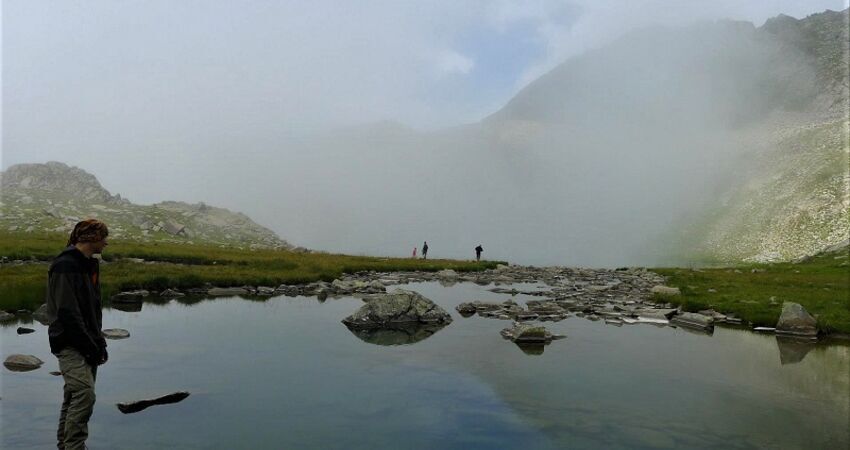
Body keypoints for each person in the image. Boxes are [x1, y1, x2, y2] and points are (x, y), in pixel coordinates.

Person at [46, 219, 109, 450]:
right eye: (103, 237)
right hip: (68, 341)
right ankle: (74, 446)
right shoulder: (65, 265)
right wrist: (90, 346)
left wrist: (99, 343)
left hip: (89, 340)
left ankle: (66, 446)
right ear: (91, 238)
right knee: (84, 393)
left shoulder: (90, 264)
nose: (106, 242)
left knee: (73, 395)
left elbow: (93, 308)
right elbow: (67, 312)